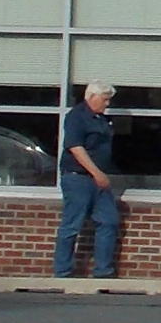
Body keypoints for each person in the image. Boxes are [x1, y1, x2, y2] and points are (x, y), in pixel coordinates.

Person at [55, 82, 120, 279]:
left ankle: (103, 270)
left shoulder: (102, 120)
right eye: (104, 99)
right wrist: (96, 173)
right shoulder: (76, 116)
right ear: (92, 96)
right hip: (78, 178)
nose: (107, 104)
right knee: (72, 224)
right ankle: (63, 271)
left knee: (109, 221)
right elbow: (75, 147)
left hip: (99, 180)